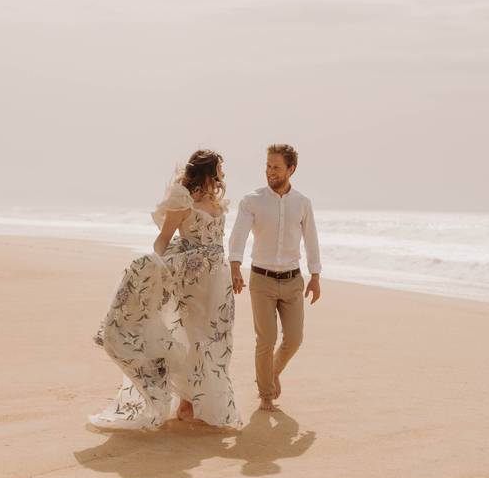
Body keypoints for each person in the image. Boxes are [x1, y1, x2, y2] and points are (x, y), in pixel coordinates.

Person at [88, 149, 242, 430]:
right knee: (192, 339)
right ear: (209, 171)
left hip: (218, 284)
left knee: (216, 341)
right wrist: (159, 269)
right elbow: (162, 241)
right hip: (191, 282)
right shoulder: (183, 201)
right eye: (220, 168)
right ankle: (186, 405)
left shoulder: (218, 202)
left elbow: (219, 243)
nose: (223, 174)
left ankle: (197, 404)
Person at [228, 143, 322, 412]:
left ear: (291, 169)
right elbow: (239, 236)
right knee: (265, 339)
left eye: (276, 167)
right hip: (262, 280)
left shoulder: (303, 203)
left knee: (294, 339)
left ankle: (272, 372)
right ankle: (266, 394)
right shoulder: (252, 201)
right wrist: (235, 267)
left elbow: (312, 239)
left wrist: (315, 275)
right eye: (268, 166)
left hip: (293, 281)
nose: (270, 171)